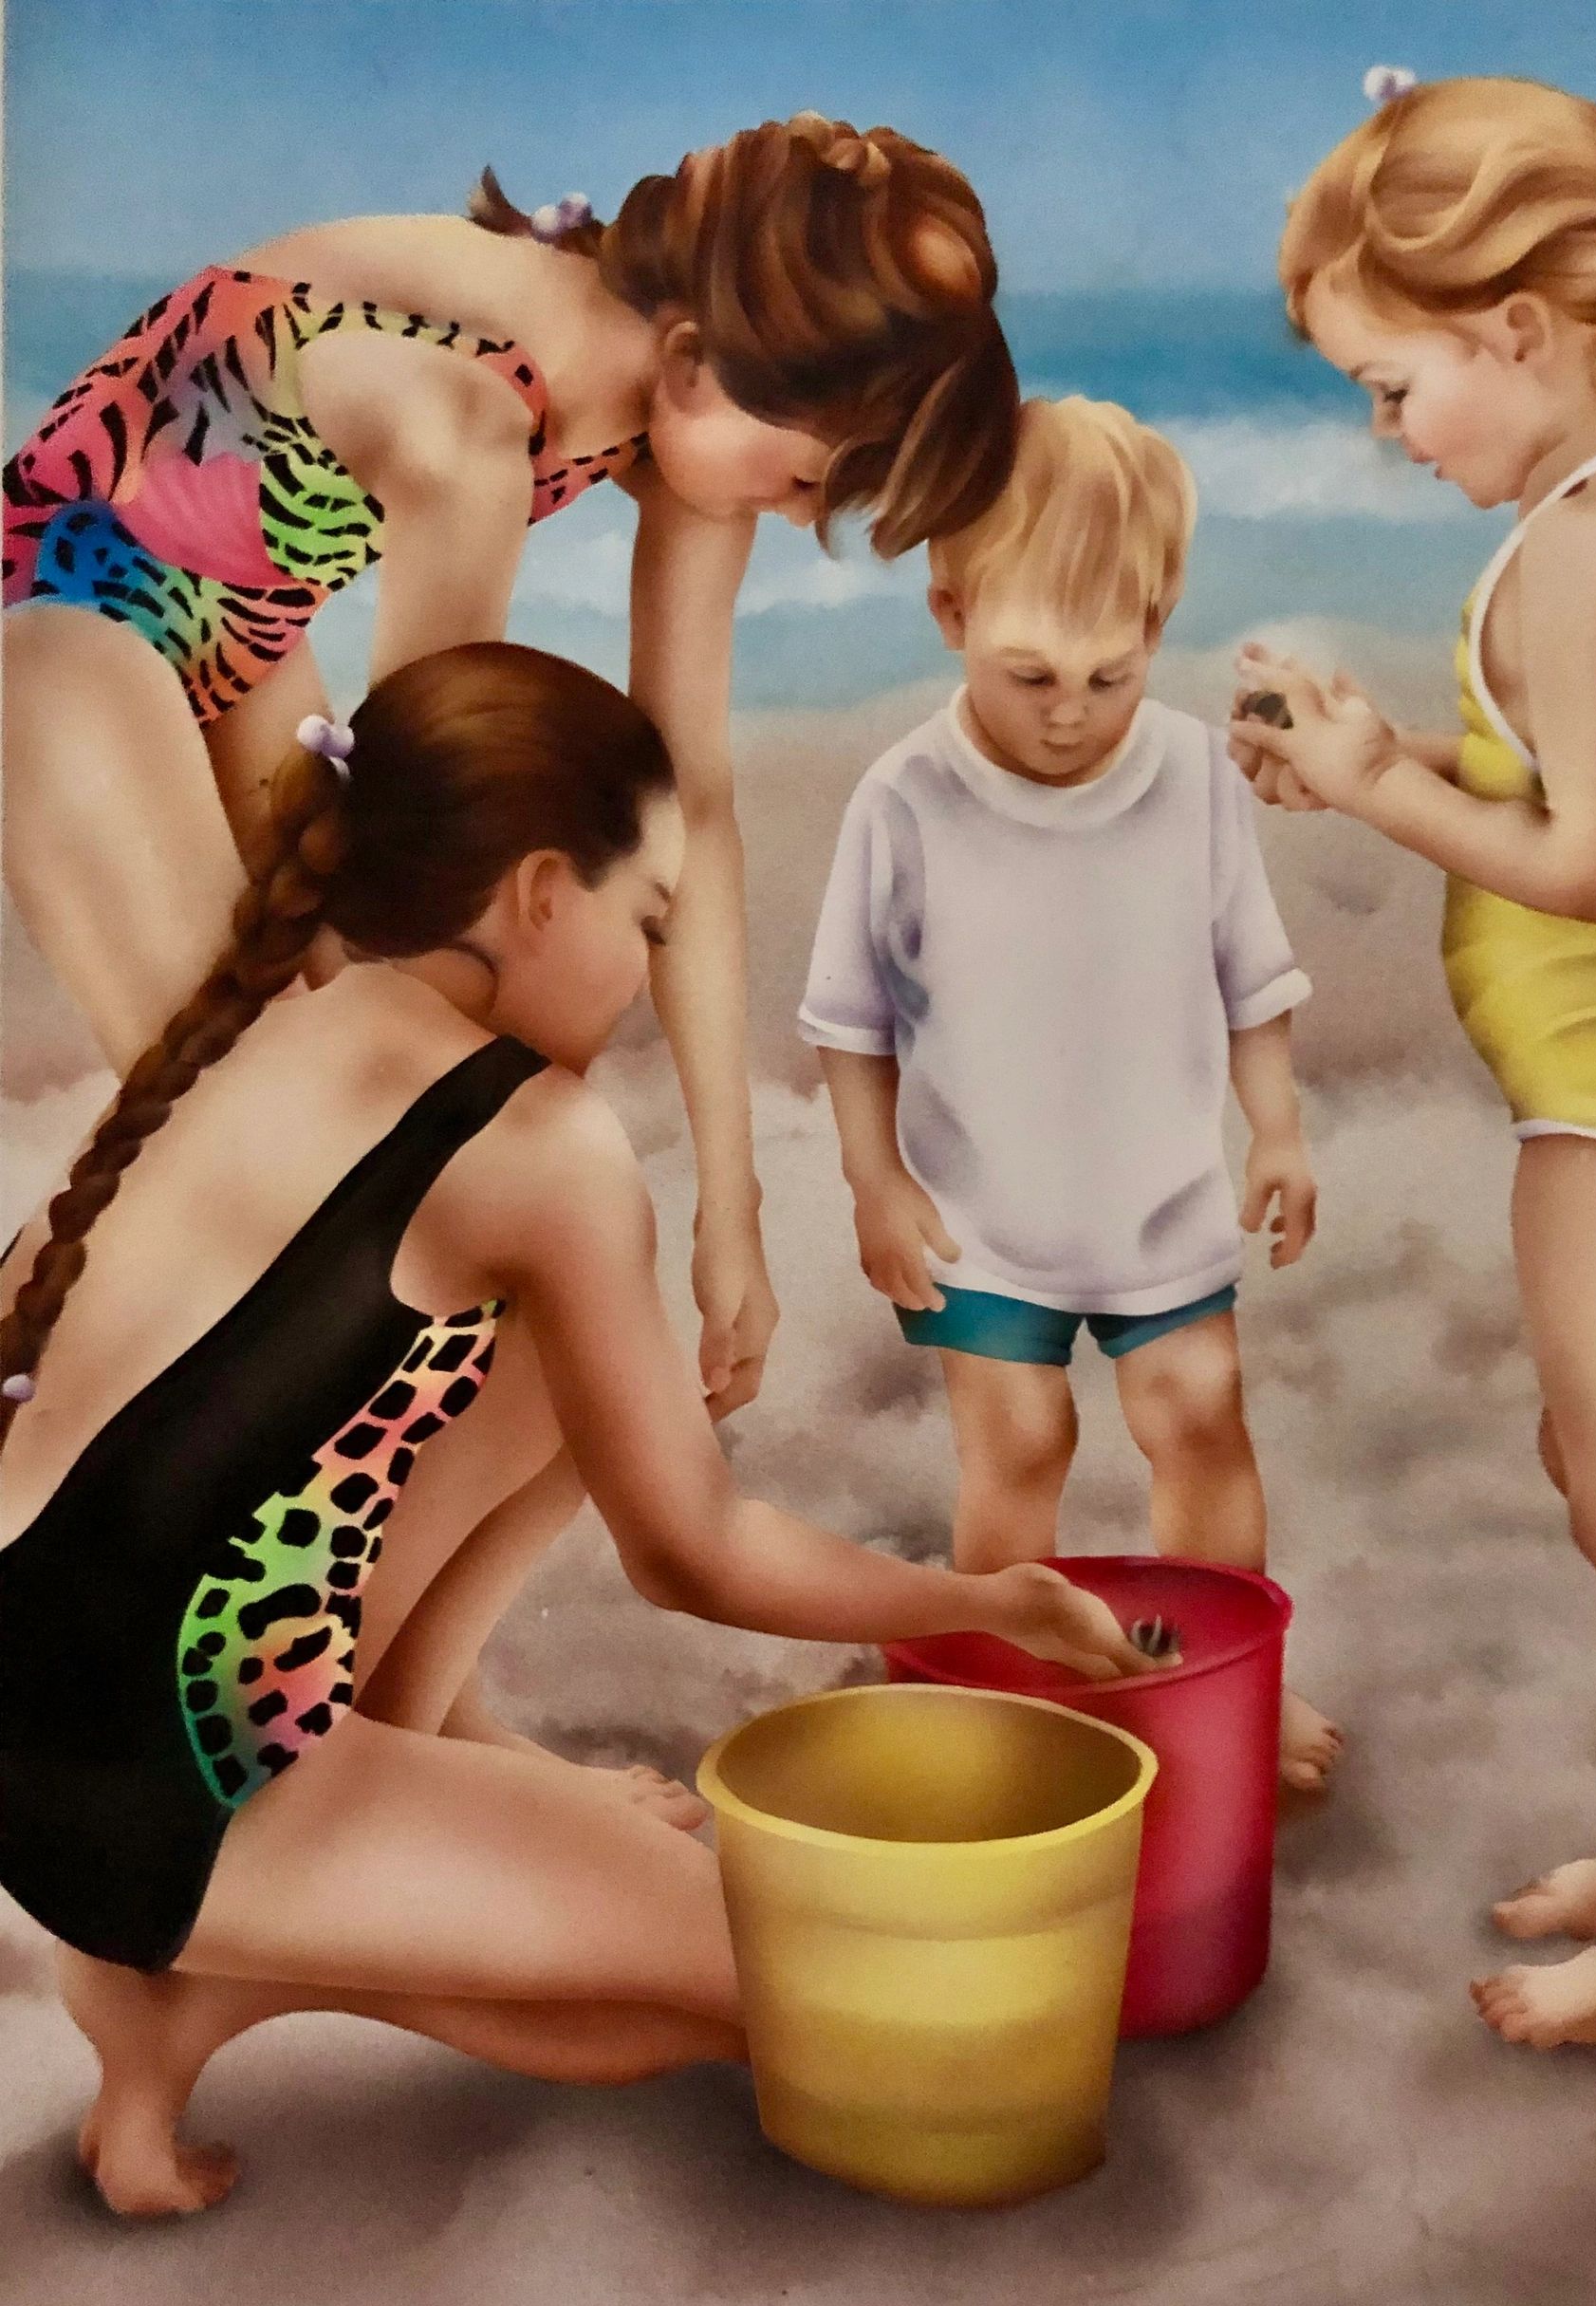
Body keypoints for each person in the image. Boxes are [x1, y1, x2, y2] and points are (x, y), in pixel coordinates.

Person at [0, 641, 1147, 2222]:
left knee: (562, 1361)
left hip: (46, 1706)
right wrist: (978, 1602)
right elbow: (691, 1552)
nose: (647, 973)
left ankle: (292, 1898)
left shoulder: (272, 1025)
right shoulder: (534, 1147)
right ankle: (184, 1987)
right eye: (649, 923)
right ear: (541, 892)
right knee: (803, 1990)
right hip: (168, 1788)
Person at [2, 110, 1020, 1430]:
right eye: (816, 478)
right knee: (245, 1149)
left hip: (241, 639)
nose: (809, 518)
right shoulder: (472, 429)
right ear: (701, 363)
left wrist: (733, 1194)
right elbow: (418, 867)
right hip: (63, 631)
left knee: (344, 1157)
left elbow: (690, 808)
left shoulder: (684, 426)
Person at [1229, 72, 1596, 2047]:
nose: (1382, 437)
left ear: (1519, 332)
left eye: (1391, 389)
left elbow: (1588, 864)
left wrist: (1376, 781)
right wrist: (1375, 762)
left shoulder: (1594, 548)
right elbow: (1561, 784)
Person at [800, 397, 1343, 1792]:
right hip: (981, 1218)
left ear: (1158, 627)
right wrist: (874, 1181)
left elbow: (1248, 976)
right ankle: (1010, 1687)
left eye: (1108, 676)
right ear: (947, 609)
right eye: (1028, 673)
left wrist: (1275, 1127)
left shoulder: (1194, 783)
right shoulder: (904, 799)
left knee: (1200, 1414)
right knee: (1019, 1443)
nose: (1067, 713)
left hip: (1158, 1201)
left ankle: (1232, 1687)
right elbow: (851, 1023)